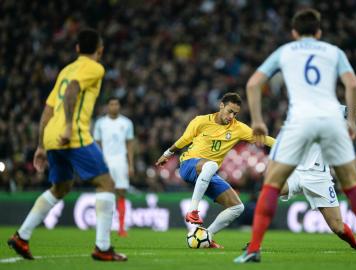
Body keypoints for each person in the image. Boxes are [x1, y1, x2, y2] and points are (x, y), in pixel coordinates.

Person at [234, 9, 356, 264]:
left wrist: (258, 120)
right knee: (353, 185)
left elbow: (252, 84)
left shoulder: (285, 51)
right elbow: (353, 86)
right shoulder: (333, 52)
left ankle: (253, 251)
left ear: (294, 33)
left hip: (301, 124)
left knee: (272, 187)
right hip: (329, 121)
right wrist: (351, 121)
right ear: (319, 32)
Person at [7, 29, 127, 261]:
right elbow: (73, 89)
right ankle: (103, 248)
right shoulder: (95, 67)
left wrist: (41, 145)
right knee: (106, 182)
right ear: (99, 50)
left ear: (77, 49)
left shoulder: (65, 70)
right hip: (72, 134)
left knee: (60, 187)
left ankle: (22, 236)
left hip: (52, 135)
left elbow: (48, 109)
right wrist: (70, 126)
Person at [279, 82, 356, 250]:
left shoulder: (336, 111)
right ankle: (255, 243)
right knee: (270, 190)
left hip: (320, 177)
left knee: (338, 228)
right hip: (297, 171)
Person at [155, 92, 275, 248]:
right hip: (189, 165)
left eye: (235, 113)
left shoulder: (238, 128)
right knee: (211, 165)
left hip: (208, 173)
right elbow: (184, 139)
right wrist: (167, 154)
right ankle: (193, 210)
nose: (232, 116)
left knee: (237, 207)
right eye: (229, 111)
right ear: (221, 106)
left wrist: (288, 147)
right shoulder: (201, 121)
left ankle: (207, 236)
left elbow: (265, 139)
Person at [94, 97, 135, 237]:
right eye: (111, 104)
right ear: (107, 106)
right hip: (105, 161)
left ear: (119, 106)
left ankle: (122, 227)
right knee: (105, 192)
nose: (114, 106)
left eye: (116, 104)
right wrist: (98, 163)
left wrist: (131, 164)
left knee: (121, 192)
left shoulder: (127, 123)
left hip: (120, 161)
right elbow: (97, 145)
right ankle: (103, 226)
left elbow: (130, 144)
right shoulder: (100, 123)